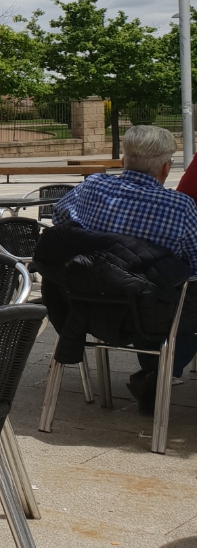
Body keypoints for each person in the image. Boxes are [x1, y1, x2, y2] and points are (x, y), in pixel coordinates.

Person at [52, 124, 197, 410]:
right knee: (183, 298)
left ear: (123, 161)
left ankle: (155, 370)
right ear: (166, 167)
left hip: (85, 308)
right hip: (152, 317)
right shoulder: (179, 207)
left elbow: (61, 221)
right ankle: (159, 370)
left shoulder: (90, 187)